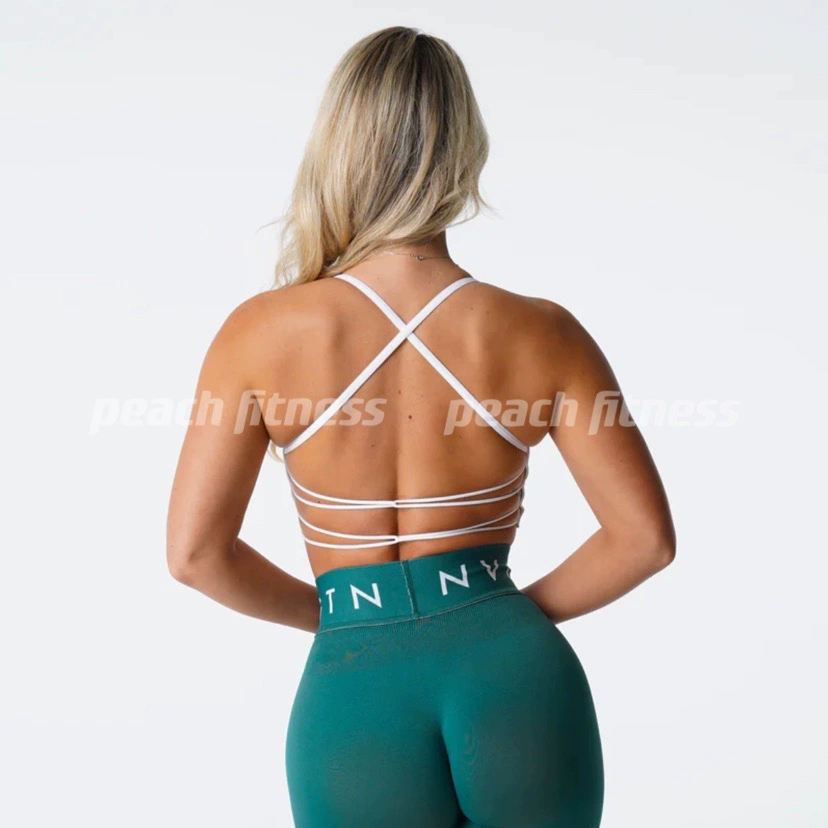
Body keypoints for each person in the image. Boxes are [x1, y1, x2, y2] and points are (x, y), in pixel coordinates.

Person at [166, 25, 676, 828]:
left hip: (354, 690)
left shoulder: (258, 335)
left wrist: (346, 621)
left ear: (340, 147)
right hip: (516, 679)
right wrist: (493, 619)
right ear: (465, 149)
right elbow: (643, 540)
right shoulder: (541, 331)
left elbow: (196, 555)